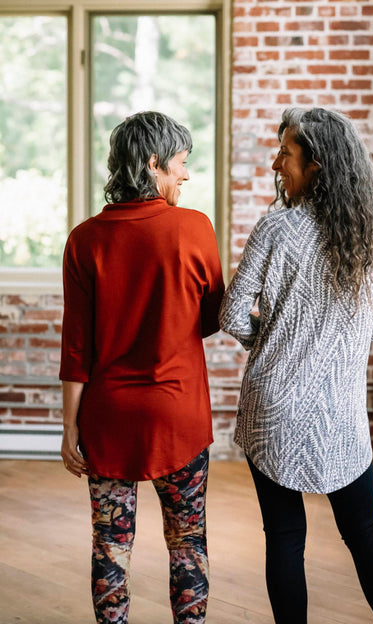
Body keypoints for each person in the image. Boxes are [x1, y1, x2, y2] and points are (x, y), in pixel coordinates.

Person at [219, 107, 373, 623]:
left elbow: (233, 314)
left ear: (317, 164)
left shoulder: (276, 227)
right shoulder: (371, 237)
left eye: (286, 152)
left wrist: (273, 342)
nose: (275, 162)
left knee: (284, 537)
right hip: (340, 412)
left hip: (273, 408)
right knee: (365, 533)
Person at [60, 111, 224, 624]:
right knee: (187, 542)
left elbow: (76, 347)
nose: (186, 175)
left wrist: (68, 427)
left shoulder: (84, 239)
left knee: (110, 548)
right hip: (178, 417)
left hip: (108, 419)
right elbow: (212, 319)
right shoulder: (195, 228)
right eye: (181, 163)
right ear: (153, 163)